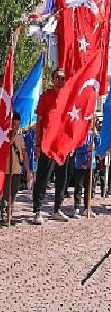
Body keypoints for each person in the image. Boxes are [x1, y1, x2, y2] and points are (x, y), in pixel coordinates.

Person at [32, 68, 73, 224]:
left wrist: (71, 143)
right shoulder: (46, 97)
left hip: (63, 146)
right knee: (43, 178)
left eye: (63, 78)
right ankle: (38, 210)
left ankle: (57, 209)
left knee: (63, 178)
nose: (61, 81)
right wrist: (37, 143)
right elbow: (39, 122)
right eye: (58, 78)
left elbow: (72, 122)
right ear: (52, 79)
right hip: (47, 146)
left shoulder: (68, 97)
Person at [1, 113, 32, 225]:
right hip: (6, 170)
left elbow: (24, 153)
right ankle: (3, 215)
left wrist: (28, 170)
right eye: (14, 124)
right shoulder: (3, 136)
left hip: (16, 170)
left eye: (18, 125)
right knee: (4, 194)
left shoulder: (20, 138)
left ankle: (10, 215)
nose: (16, 127)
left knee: (13, 194)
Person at [71, 119, 100, 218]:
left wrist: (96, 135)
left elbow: (98, 143)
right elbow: (76, 146)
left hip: (90, 163)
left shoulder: (93, 132)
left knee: (89, 186)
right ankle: (76, 208)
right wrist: (86, 148)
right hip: (80, 162)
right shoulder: (80, 132)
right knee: (79, 186)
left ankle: (87, 207)